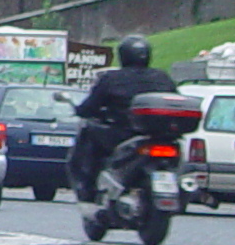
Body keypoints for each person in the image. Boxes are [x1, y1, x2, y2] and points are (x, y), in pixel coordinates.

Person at [68, 34, 176, 203]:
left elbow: (89, 107)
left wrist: (80, 110)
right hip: (160, 136)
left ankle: (87, 186)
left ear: (123, 56)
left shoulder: (112, 78)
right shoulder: (162, 77)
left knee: (88, 131)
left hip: (122, 134)